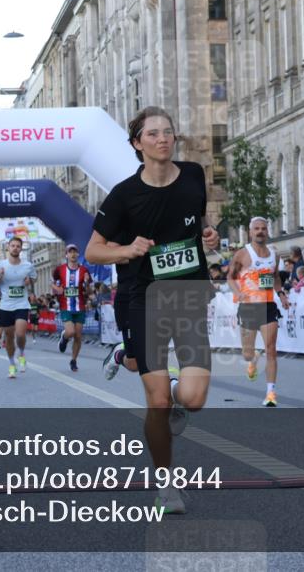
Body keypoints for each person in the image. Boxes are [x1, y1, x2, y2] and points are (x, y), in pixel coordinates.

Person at [88, 106, 219, 515]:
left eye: (168, 132)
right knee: (157, 401)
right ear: (137, 144)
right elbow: (94, 248)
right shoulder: (125, 195)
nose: (163, 138)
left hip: (190, 297)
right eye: (153, 134)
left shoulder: (195, 174)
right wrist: (128, 249)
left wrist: (209, 235)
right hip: (146, 301)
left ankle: (177, 404)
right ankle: (166, 486)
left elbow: (200, 222)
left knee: (193, 398)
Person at [226, 217, 289, 406]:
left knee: (271, 349)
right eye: (256, 229)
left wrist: (281, 294)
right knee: (247, 352)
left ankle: (271, 393)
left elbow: (275, 276)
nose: (260, 231)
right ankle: (252, 360)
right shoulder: (242, 254)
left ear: (267, 231)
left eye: (263, 228)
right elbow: (230, 277)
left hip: (268, 306)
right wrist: (239, 293)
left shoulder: (274, 255)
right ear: (250, 231)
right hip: (248, 308)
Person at [0, 236, 37, 378]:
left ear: (21, 248)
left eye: (18, 246)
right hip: (5, 306)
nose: (15, 248)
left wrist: (30, 280)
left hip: (22, 304)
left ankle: (21, 354)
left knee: (20, 334)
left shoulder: (27, 265)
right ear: (8, 248)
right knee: (9, 337)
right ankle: (11, 364)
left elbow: (34, 278)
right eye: (13, 245)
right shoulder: (0, 265)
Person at [53, 244, 94, 372]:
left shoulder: (84, 271)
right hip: (66, 306)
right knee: (70, 332)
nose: (73, 254)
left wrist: (87, 283)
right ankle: (64, 338)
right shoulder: (59, 269)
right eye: (70, 252)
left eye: (75, 252)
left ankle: (73, 360)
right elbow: (53, 283)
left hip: (80, 307)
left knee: (77, 336)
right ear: (66, 255)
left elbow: (88, 290)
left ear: (78, 254)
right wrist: (57, 289)